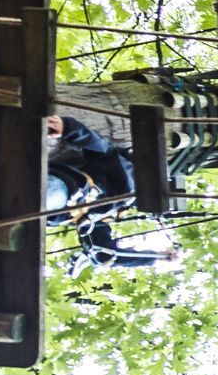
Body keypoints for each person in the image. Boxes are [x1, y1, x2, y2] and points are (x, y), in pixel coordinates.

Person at [45, 115, 181, 270]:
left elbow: (105, 255)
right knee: (41, 198)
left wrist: (155, 258)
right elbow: (97, 144)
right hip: (65, 190)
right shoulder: (124, 167)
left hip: (56, 212)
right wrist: (68, 127)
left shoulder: (105, 215)